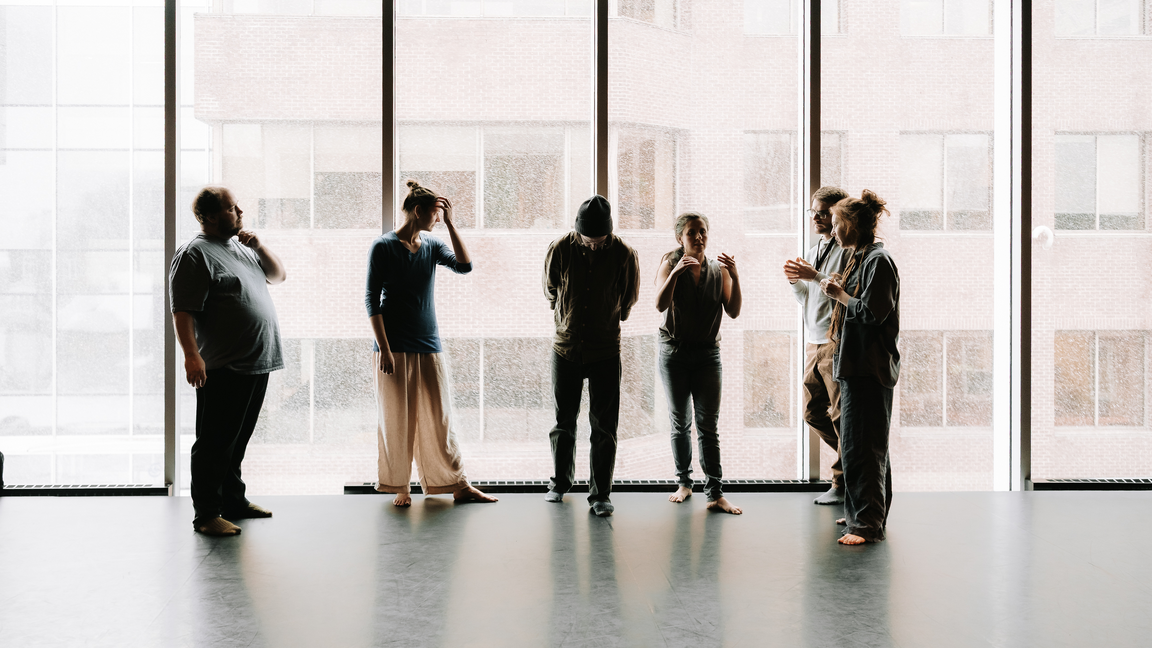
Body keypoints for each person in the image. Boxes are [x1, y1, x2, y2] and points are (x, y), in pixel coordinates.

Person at [365, 180, 496, 508]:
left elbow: (464, 266)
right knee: (398, 419)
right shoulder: (383, 247)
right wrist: (383, 348)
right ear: (419, 211)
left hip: (428, 343)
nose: (437, 220)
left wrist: (451, 223)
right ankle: (401, 485)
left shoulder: (432, 246)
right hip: (392, 347)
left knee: (439, 417)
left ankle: (458, 484)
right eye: (437, 215)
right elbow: (371, 299)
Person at [170, 186, 286, 536]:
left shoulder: (240, 246)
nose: (239, 212)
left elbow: (278, 275)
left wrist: (259, 246)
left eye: (237, 207)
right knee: (214, 443)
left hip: (257, 361)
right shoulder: (195, 253)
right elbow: (183, 310)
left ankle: (234, 500)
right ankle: (206, 515)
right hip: (224, 366)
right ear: (208, 216)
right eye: (231, 208)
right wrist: (192, 356)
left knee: (236, 442)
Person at [543, 195, 640, 517]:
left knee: (604, 427)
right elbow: (551, 291)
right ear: (578, 233)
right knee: (563, 422)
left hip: (605, 351)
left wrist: (608, 316)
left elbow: (628, 302)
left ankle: (601, 495)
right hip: (566, 348)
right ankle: (559, 483)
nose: (596, 246)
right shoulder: (560, 249)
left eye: (602, 241)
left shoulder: (625, 254)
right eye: (590, 241)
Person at [819, 190, 900, 545]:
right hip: (855, 366)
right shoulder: (859, 257)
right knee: (860, 446)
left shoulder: (878, 261)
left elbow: (871, 312)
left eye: (836, 224)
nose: (832, 231)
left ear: (851, 225)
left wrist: (840, 296)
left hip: (868, 369)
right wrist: (840, 289)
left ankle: (866, 524)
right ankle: (862, 513)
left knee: (863, 449)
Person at [654, 212, 743, 515]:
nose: (699, 237)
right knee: (680, 422)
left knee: (708, 425)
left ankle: (715, 493)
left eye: (702, 231)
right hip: (674, 353)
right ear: (680, 237)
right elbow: (659, 304)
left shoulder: (717, 269)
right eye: (692, 232)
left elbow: (732, 311)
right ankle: (684, 482)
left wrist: (736, 275)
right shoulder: (670, 263)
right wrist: (676, 273)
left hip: (707, 355)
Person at [783, 186, 851, 505]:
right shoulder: (812, 251)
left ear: (839, 214)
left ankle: (841, 482)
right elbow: (807, 298)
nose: (816, 218)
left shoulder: (849, 250)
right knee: (812, 412)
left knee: (840, 415)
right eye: (813, 212)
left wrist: (813, 275)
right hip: (813, 342)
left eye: (823, 213)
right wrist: (797, 282)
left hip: (837, 342)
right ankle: (853, 459)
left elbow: (841, 290)